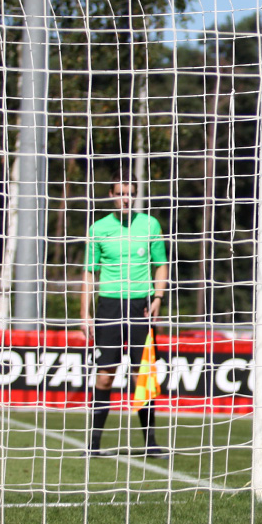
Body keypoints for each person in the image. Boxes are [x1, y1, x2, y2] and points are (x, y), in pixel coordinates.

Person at [81, 169, 169, 458]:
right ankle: (93, 445)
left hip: (139, 306)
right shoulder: (98, 229)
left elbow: (161, 264)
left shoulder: (150, 224)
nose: (125, 199)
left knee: (141, 375)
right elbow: (89, 274)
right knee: (105, 376)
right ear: (111, 195)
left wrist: (158, 297)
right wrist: (86, 313)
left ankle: (150, 443)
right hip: (108, 305)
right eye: (120, 194)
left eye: (130, 194)